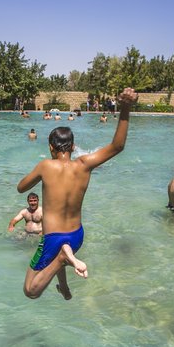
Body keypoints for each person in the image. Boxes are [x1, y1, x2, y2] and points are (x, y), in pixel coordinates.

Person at [16, 87, 138, 300]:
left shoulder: (46, 165)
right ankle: (63, 284)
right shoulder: (84, 165)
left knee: (30, 290)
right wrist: (125, 107)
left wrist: (39, 174)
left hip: (53, 238)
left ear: (52, 148)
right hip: (76, 236)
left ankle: (64, 257)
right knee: (60, 253)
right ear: (72, 147)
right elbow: (118, 146)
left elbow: (21, 187)